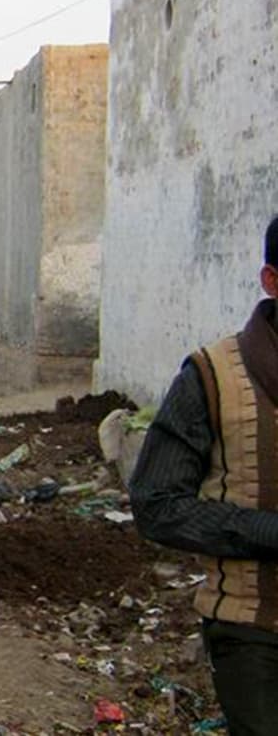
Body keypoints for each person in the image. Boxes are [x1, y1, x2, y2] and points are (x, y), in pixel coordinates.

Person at [130, 214, 278, 736]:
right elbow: (156, 504)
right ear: (271, 282)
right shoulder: (211, 377)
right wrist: (267, 534)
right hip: (254, 628)